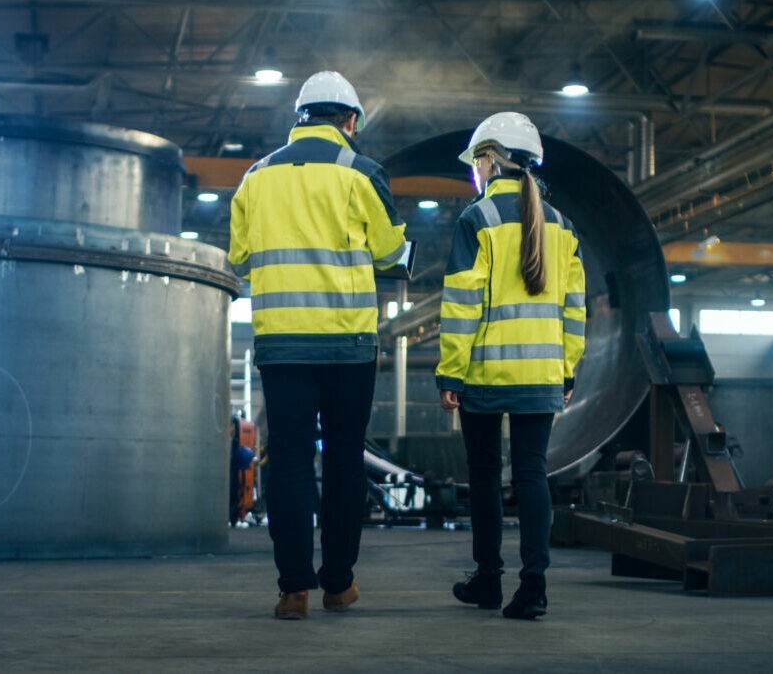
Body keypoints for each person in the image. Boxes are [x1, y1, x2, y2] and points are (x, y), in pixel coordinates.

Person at [227, 71, 408, 620]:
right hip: (349, 346)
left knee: (288, 463)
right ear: (350, 121)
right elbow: (390, 251)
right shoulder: (361, 173)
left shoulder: (255, 178)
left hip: (282, 345)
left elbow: (238, 258)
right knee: (346, 462)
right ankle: (337, 583)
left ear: (299, 116)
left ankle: (292, 590)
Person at [436, 112, 586, 620]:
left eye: (475, 162)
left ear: (488, 160)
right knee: (531, 475)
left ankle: (488, 581)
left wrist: (450, 372)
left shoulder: (477, 219)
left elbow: (462, 305)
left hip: (484, 374)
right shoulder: (561, 225)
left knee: (484, 478)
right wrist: (566, 371)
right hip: (542, 375)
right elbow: (574, 309)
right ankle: (534, 588)